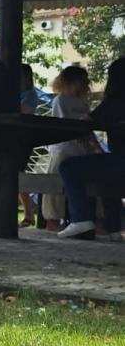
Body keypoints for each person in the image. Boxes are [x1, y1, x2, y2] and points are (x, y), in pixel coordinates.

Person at [58, 57, 125, 240]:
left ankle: (81, 219)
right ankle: (113, 228)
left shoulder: (115, 102)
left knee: (68, 167)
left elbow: (86, 123)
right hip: (118, 163)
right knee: (106, 172)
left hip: (121, 161)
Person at [42, 64, 94, 231]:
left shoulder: (83, 102)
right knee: (54, 184)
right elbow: (63, 123)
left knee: (83, 184)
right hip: (63, 148)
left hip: (80, 149)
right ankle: (52, 219)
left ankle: (84, 217)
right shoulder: (60, 100)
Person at [18, 63, 39, 227]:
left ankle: (28, 213)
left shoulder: (29, 94)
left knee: (16, 173)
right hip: (13, 136)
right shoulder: (19, 94)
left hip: (22, 138)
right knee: (14, 174)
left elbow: (25, 111)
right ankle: (28, 213)